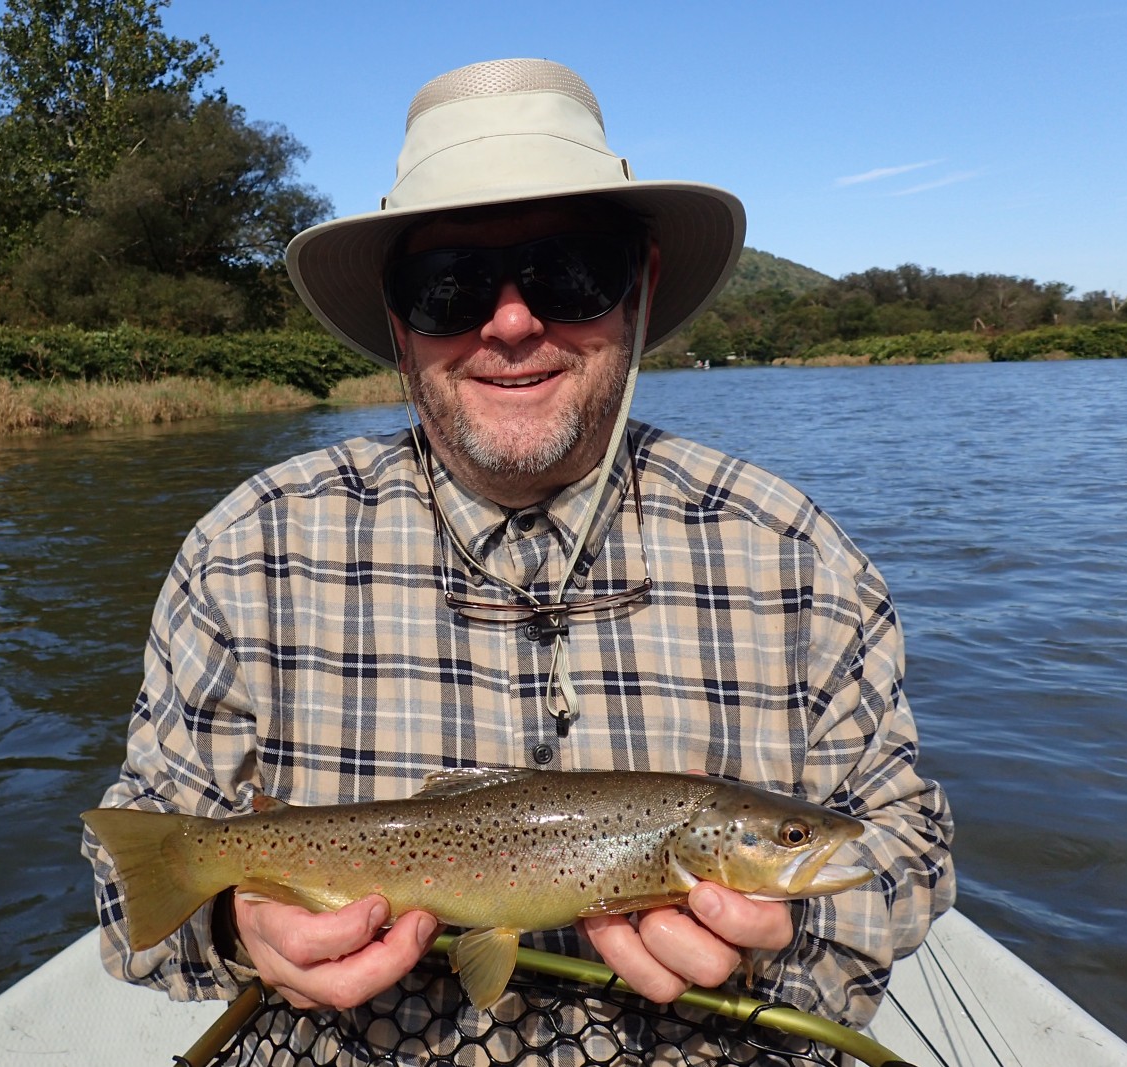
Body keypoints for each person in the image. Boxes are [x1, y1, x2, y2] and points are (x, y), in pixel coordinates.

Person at [83, 57, 954, 1063]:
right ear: (397, 317)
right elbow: (129, 872)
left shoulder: (794, 556)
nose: (510, 322)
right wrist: (241, 928)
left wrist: (787, 938)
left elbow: (901, 844)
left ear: (643, 284)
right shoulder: (247, 552)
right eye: (448, 286)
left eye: (568, 272)